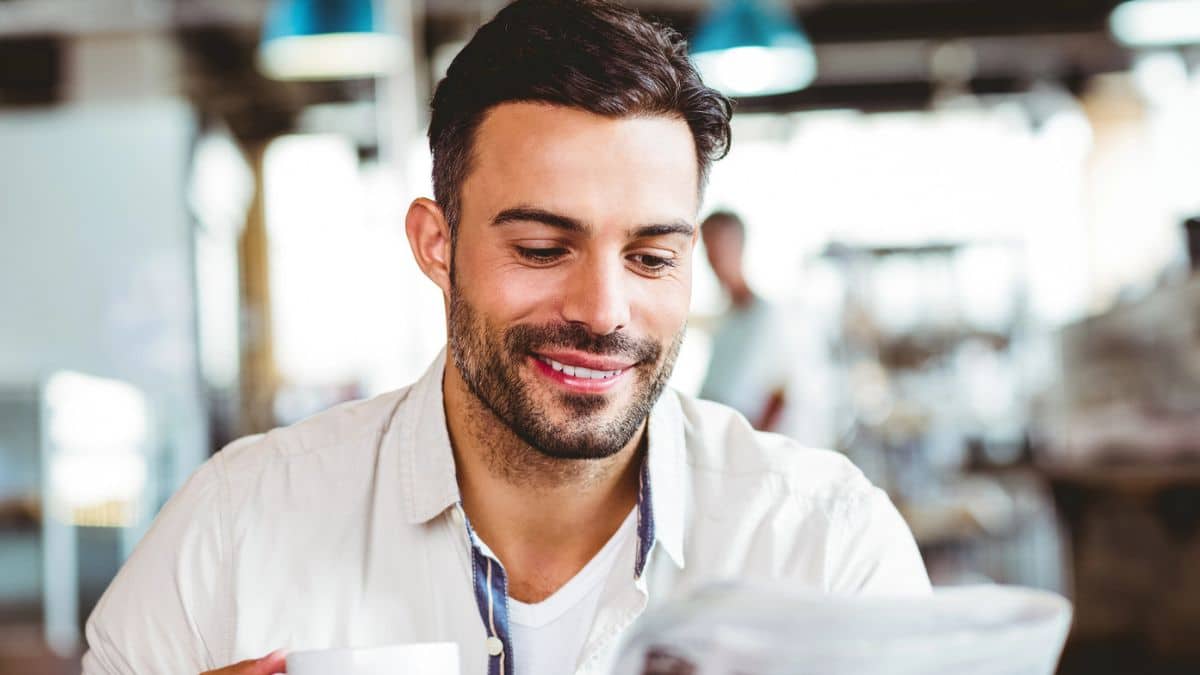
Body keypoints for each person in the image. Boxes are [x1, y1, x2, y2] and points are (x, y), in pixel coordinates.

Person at [82, 2, 929, 674]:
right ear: (435, 244)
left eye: (650, 256)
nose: (604, 310)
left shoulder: (825, 547)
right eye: (540, 249)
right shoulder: (235, 530)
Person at [698, 211, 792, 432]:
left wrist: (756, 443)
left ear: (739, 247)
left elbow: (781, 391)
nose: (714, 260)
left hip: (739, 435)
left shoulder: (769, 317)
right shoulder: (725, 315)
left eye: (720, 248)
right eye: (709, 249)